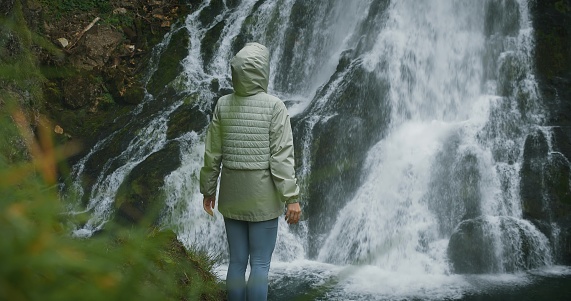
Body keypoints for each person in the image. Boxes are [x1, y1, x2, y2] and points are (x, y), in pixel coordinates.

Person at [199, 42, 301, 301]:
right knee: (260, 265)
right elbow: (281, 158)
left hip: (232, 194)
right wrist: (292, 197)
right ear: (264, 71)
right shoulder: (275, 106)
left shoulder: (223, 104)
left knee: (236, 263)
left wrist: (208, 190)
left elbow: (213, 154)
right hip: (262, 197)